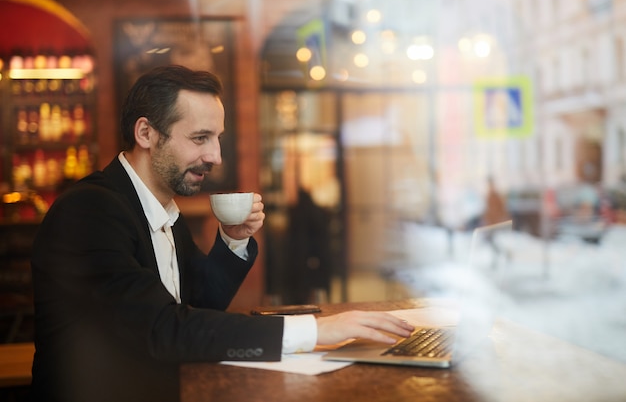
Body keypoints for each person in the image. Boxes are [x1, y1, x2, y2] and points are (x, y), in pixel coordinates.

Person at [30, 65, 414, 402]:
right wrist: (315, 330)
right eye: (200, 138)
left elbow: (201, 304)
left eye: (217, 139)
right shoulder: (90, 212)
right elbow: (163, 329)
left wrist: (233, 238)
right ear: (146, 133)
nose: (215, 156)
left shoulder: (161, 209)